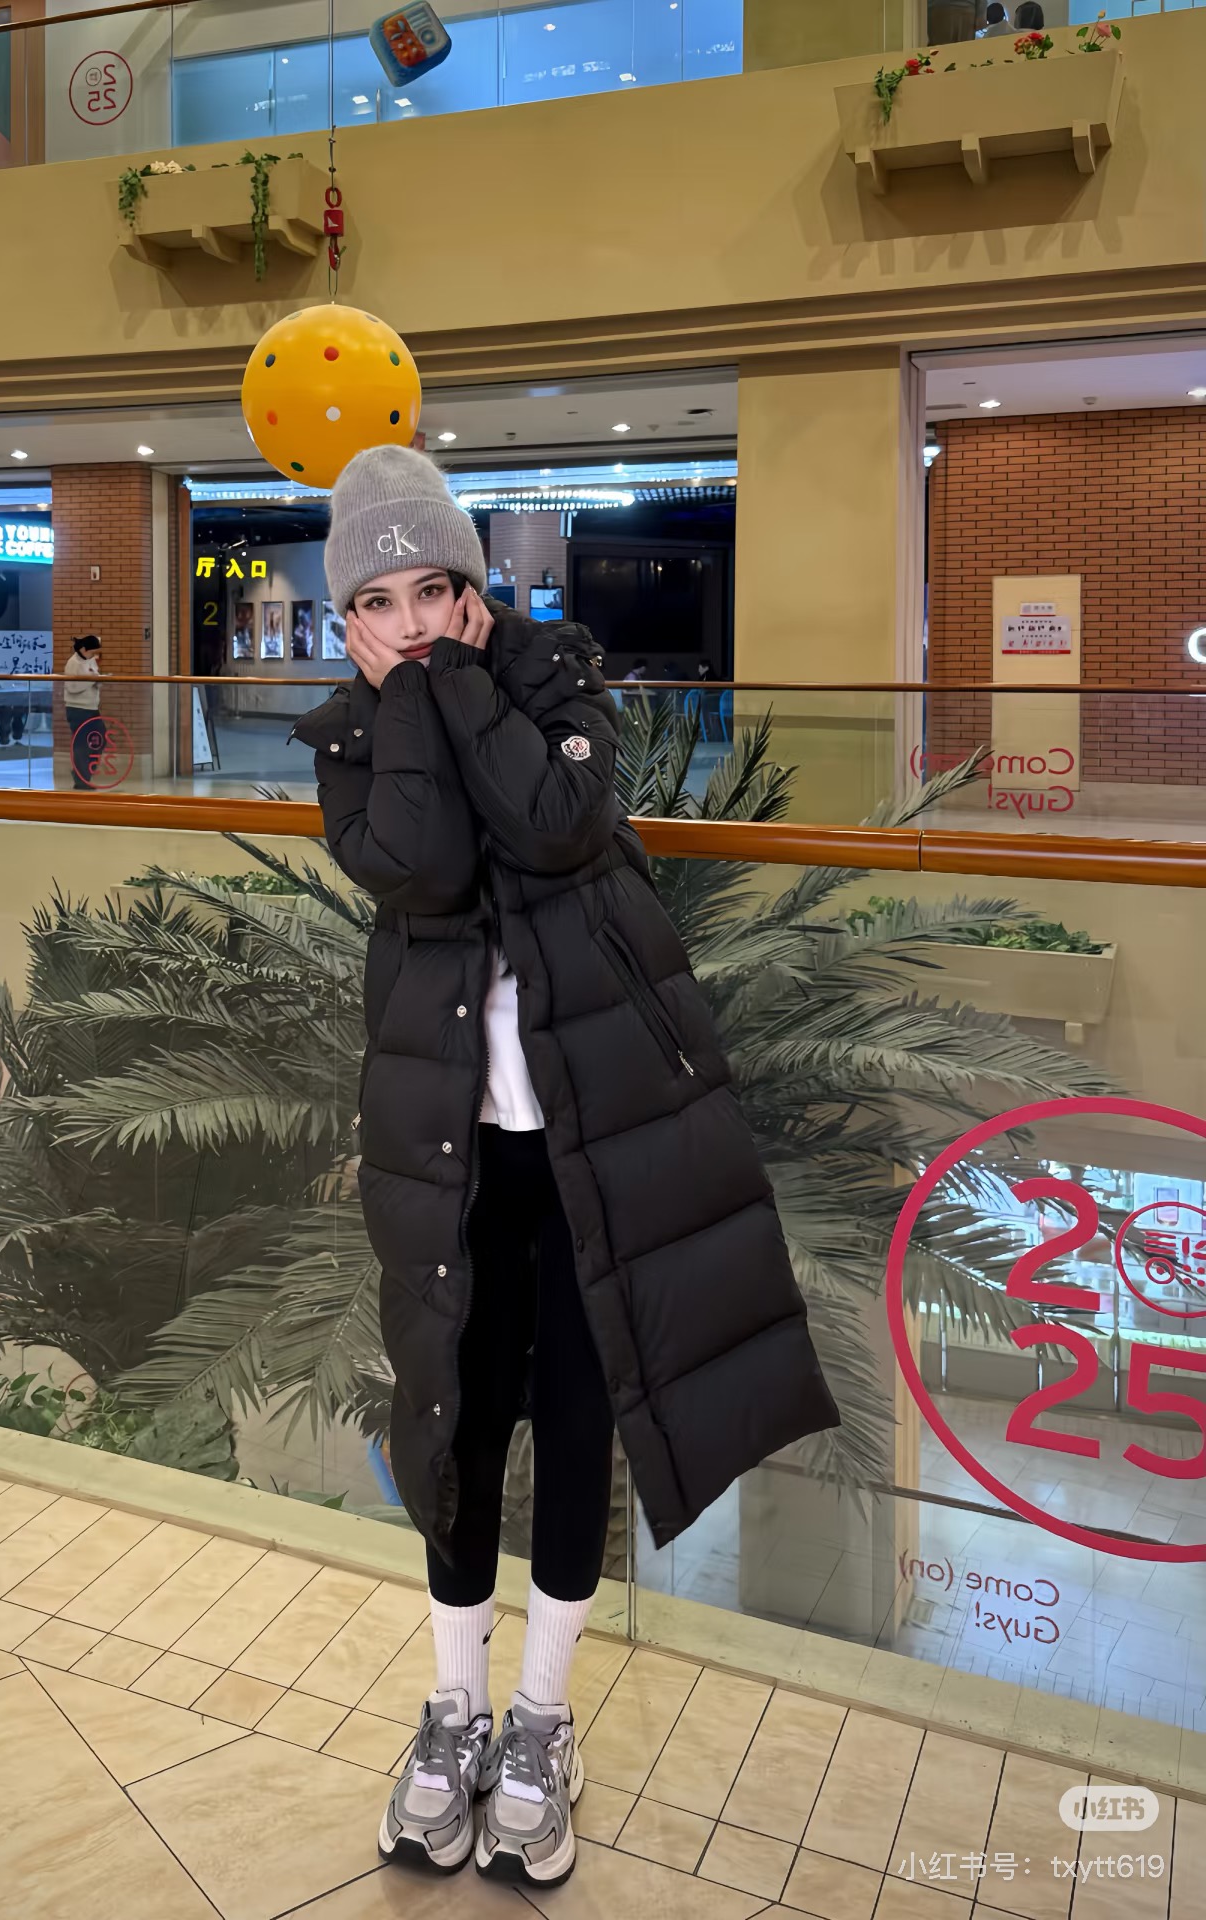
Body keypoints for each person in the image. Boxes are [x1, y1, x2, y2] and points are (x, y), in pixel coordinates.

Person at [297, 447, 839, 1889]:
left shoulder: (558, 682)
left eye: (433, 591)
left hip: (600, 1137)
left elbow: (553, 824)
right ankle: (454, 1711)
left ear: (473, 589)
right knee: (457, 1424)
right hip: (453, 1150)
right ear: (347, 620)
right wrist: (414, 704)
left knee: (583, 1422)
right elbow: (422, 863)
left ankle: (541, 1722)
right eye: (378, 604)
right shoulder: (347, 744)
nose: (410, 622)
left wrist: (462, 685)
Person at [63, 634, 105, 790]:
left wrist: (99, 681)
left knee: (100, 739)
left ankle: (82, 773)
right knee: (81, 744)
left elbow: (93, 677)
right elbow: (72, 687)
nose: (93, 655)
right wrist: (92, 680)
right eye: (91, 652)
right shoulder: (73, 663)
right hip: (78, 709)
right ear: (83, 649)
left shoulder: (90, 660)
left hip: (92, 707)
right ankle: (81, 780)